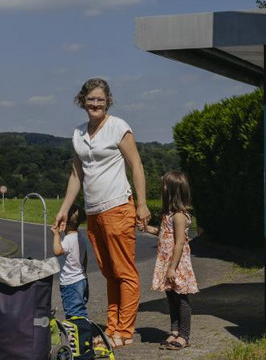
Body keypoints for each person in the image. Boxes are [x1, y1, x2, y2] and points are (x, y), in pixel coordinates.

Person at [54, 78, 150, 348]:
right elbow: (76, 174)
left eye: (100, 99)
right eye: (90, 99)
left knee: (125, 271)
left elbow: (137, 165)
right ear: (82, 100)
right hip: (93, 212)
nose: (95, 104)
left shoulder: (118, 127)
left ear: (108, 101)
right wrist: (64, 211)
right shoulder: (78, 133)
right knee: (109, 273)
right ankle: (112, 326)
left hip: (118, 206)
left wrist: (141, 204)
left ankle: (124, 330)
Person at [138, 171, 198, 350]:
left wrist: (172, 268)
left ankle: (184, 335)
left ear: (171, 192)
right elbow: (165, 234)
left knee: (181, 299)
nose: (161, 191)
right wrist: (148, 228)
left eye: (164, 188)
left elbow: (179, 242)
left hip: (176, 263)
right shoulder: (169, 214)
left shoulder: (179, 215)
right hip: (167, 262)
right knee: (171, 297)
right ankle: (174, 331)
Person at [51, 204, 89, 319]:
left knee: (74, 313)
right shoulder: (80, 236)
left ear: (64, 222)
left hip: (70, 283)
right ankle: (83, 331)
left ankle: (80, 333)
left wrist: (56, 234)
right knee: (80, 309)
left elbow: (57, 251)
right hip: (81, 279)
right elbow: (85, 258)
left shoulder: (67, 240)